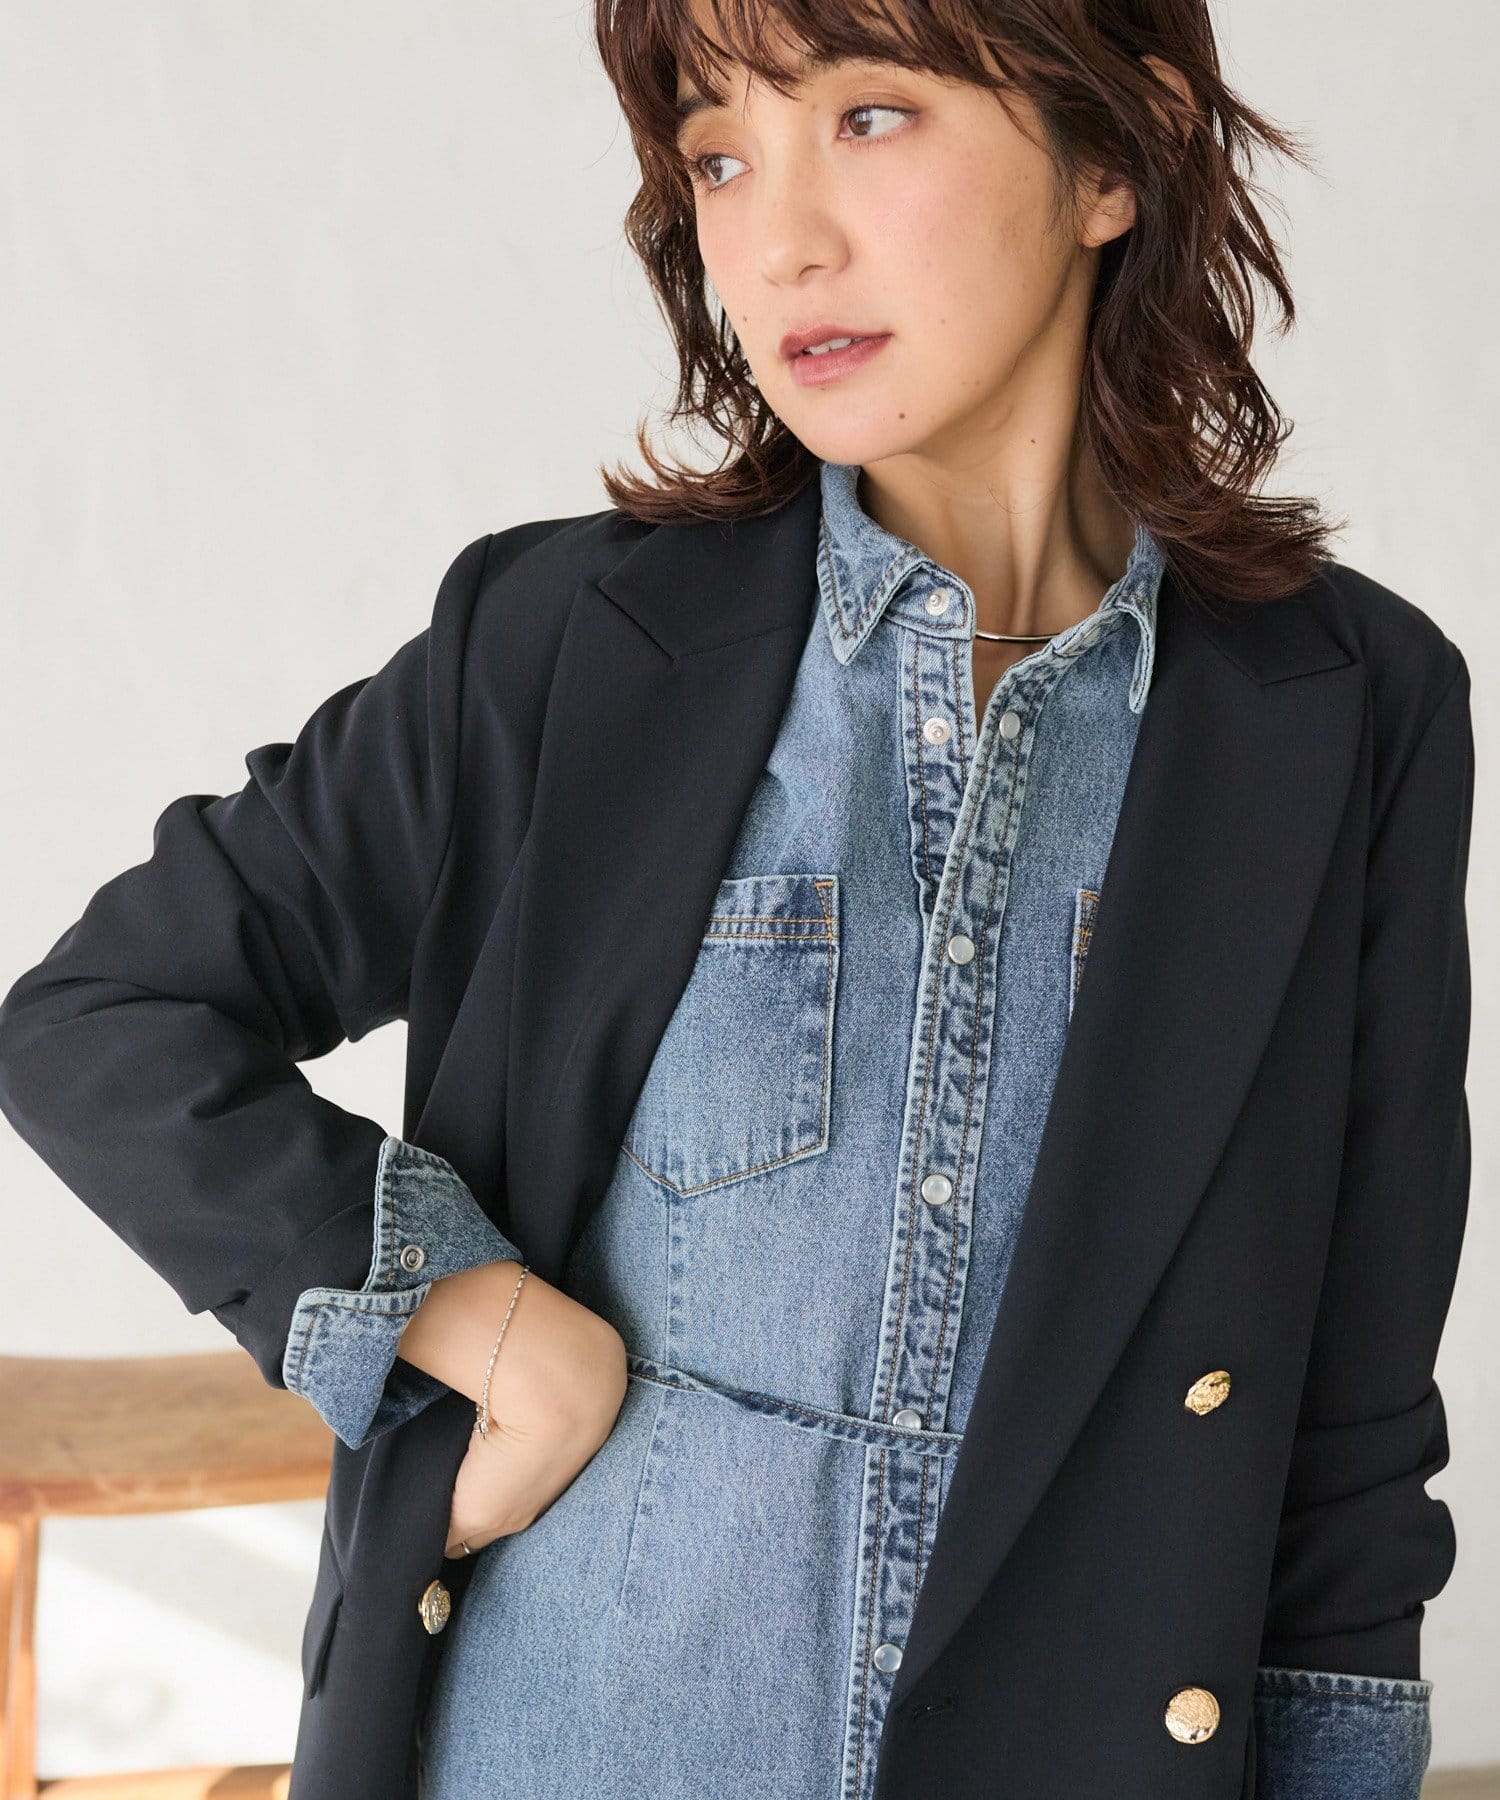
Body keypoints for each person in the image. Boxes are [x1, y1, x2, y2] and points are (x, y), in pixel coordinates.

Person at [0, 1, 1472, 1796]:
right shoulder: (565, 651)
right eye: (718, 154)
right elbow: (107, 1017)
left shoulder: (1343, 712)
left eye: (870, 116)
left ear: (1116, 154)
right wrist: (469, 1314)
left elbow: (1348, 1448)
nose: (779, 241)